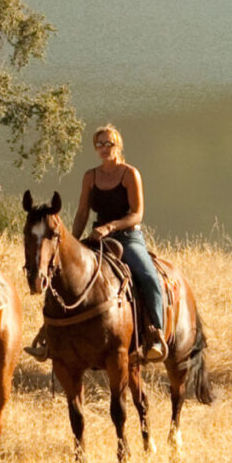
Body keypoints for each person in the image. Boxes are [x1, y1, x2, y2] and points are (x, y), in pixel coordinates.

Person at [71, 123, 167, 361]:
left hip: (127, 236)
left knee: (148, 276)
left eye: (109, 143)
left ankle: (155, 333)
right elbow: (83, 213)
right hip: (98, 237)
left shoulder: (129, 174)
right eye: (99, 144)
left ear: (118, 146)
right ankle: (51, 336)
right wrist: (72, 243)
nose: (104, 148)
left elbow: (137, 214)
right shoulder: (90, 176)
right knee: (66, 272)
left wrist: (110, 226)